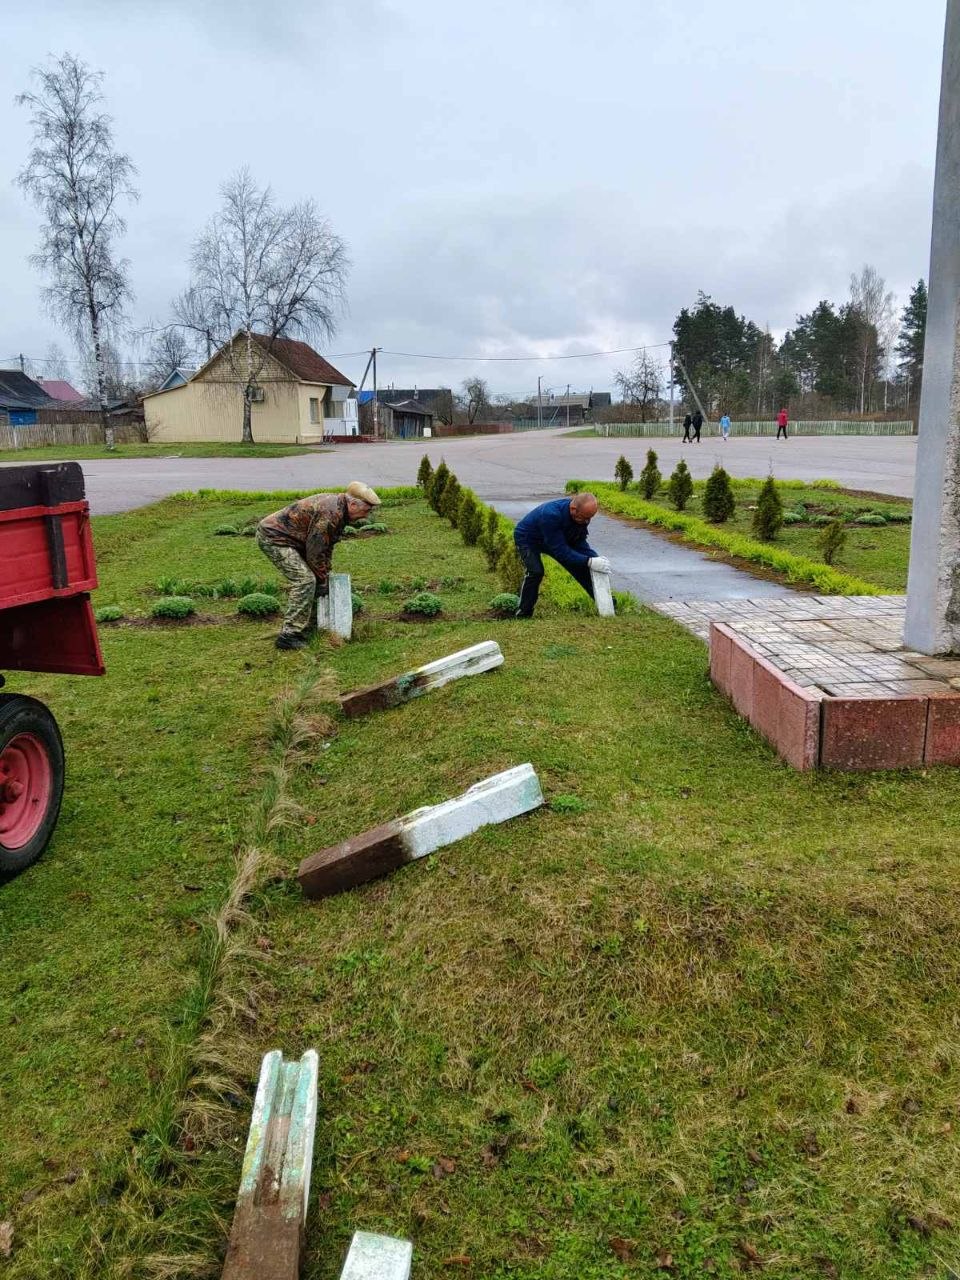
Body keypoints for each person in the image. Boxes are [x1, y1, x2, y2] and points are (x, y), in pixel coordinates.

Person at [257, 480, 381, 649]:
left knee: (316, 578)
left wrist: (325, 573)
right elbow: (315, 551)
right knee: (305, 580)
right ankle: (289, 635)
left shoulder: (340, 510)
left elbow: (326, 545)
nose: (366, 515)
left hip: (295, 539)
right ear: (353, 504)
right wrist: (322, 578)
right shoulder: (330, 514)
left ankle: (310, 623)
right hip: (274, 538)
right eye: (366, 510)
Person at [513, 491, 610, 618]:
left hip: (556, 537)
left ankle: (608, 606)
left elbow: (579, 541)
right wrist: (589, 561)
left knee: (584, 566)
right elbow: (561, 552)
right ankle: (523, 613)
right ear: (573, 509)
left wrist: (595, 559)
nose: (587, 521)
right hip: (529, 538)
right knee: (536, 571)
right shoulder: (550, 515)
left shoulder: (581, 517)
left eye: (590, 518)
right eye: (584, 517)